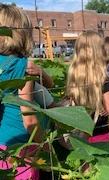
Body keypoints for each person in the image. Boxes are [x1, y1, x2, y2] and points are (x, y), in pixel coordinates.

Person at [0, 4, 45, 179]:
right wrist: (45, 144)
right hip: (20, 147)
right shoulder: (21, 65)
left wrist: (43, 72)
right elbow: (29, 119)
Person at [66, 31, 109, 143]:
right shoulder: (101, 76)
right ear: (98, 51)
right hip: (99, 133)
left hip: (80, 132)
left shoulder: (73, 74)